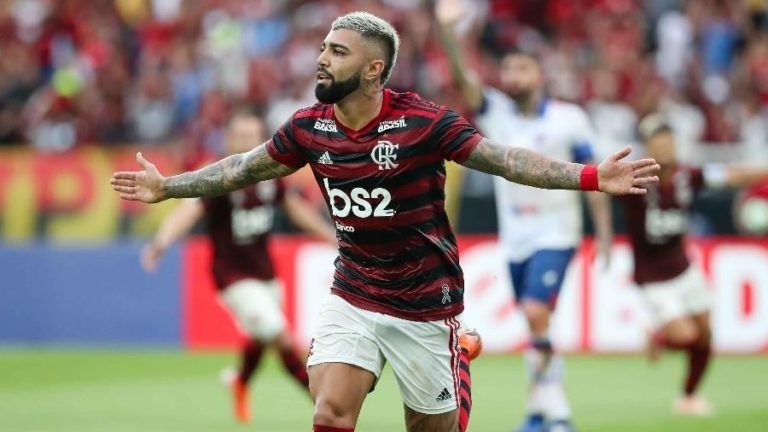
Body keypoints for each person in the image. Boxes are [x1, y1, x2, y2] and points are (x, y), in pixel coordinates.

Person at [111, 11, 659, 432]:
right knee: (329, 410)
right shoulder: (308, 127)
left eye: (338, 51)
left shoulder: (423, 122)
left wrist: (591, 177)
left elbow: (505, 160)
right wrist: (167, 187)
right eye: (323, 48)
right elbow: (241, 168)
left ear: (373, 69)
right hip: (353, 291)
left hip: (424, 302)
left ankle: (457, 352)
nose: (322, 59)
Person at [435, 1, 613, 430]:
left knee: (536, 312)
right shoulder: (497, 112)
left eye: (521, 69)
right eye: (508, 70)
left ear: (539, 75)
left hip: (557, 233)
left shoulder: (570, 118)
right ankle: (538, 409)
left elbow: (595, 176)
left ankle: (558, 412)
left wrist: (604, 234)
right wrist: (449, 33)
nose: (512, 77)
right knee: (535, 323)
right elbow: (463, 77)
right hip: (515, 239)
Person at [140, 110, 337, 424]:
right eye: (241, 136)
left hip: (266, 274)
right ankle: (324, 404)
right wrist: (161, 242)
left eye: (252, 136)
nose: (247, 142)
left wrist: (331, 236)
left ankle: (240, 380)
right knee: (280, 336)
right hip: (232, 277)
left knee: (262, 336)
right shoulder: (218, 177)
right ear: (229, 140)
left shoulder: (269, 174)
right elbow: (188, 211)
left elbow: (295, 209)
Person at [624, 114, 768, 416]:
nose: (664, 148)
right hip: (652, 277)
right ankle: (658, 337)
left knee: (705, 334)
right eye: (657, 143)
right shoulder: (632, 180)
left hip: (684, 269)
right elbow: (597, 187)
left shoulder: (688, 176)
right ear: (647, 148)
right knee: (685, 336)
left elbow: (733, 176)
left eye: (668, 142)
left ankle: (688, 397)